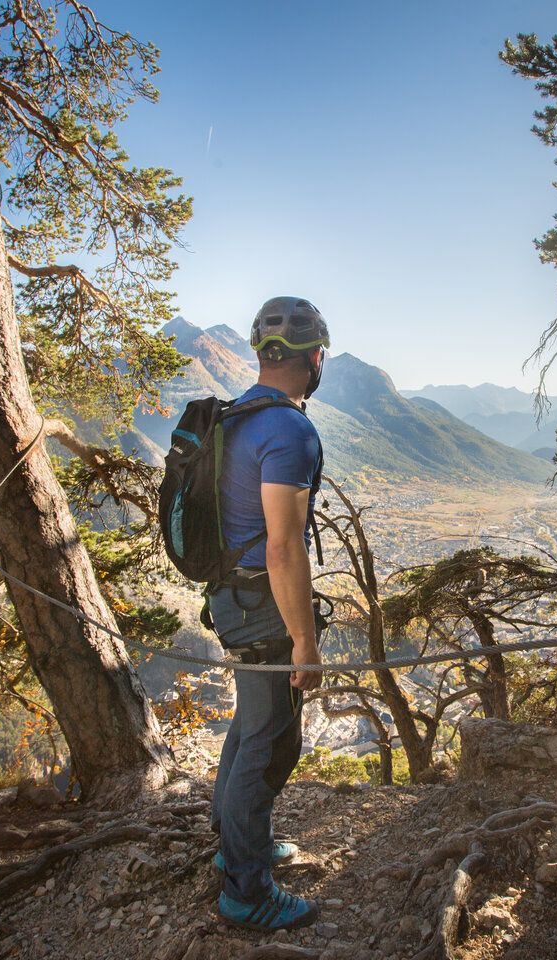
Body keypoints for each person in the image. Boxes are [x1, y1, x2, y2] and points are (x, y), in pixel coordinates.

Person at [208, 296, 329, 931]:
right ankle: (246, 888)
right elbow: (283, 545)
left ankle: (236, 840)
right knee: (268, 737)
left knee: (252, 724)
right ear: (314, 358)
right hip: (262, 606)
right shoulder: (289, 429)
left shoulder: (234, 417)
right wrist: (305, 641)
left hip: (231, 595)